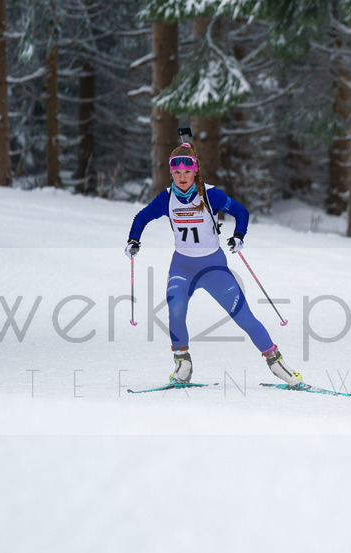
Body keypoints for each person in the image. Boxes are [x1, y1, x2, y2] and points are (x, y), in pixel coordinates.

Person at [125, 142, 301, 386]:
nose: (182, 177)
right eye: (176, 173)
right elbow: (141, 217)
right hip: (182, 266)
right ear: (171, 173)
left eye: (186, 172)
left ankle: (277, 363)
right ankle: (182, 364)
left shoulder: (210, 194)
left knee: (244, 317)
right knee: (175, 312)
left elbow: (242, 212)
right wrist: (134, 239)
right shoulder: (166, 198)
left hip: (213, 268)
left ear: (195, 170)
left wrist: (239, 236)